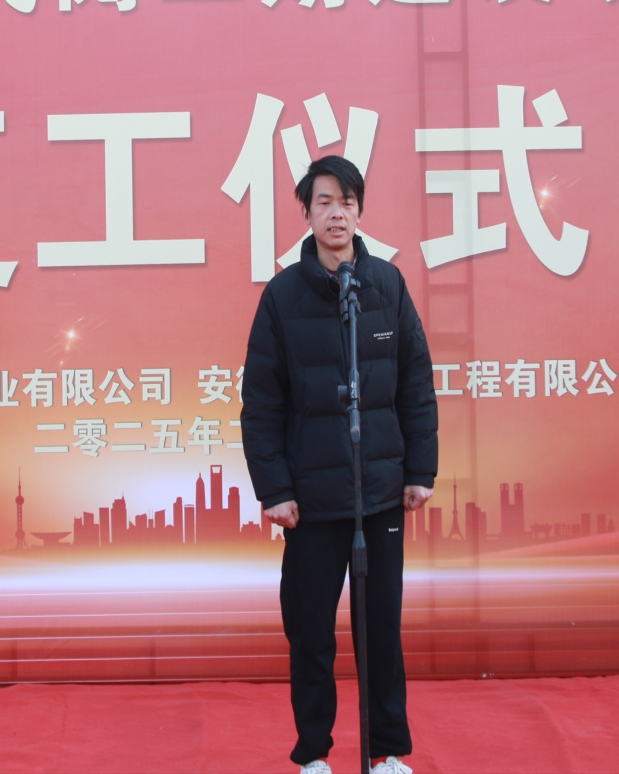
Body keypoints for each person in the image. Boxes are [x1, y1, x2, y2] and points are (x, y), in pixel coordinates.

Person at [241, 155, 438, 774]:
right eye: (324, 201)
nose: (336, 213)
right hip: (311, 501)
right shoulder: (282, 297)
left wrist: (420, 471)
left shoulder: (386, 285)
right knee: (311, 633)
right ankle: (313, 756)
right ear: (307, 212)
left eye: (347, 201)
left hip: (379, 492)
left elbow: (415, 384)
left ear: (359, 210)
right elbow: (261, 403)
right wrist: (274, 488)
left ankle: (386, 752)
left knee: (381, 629)